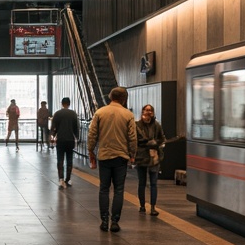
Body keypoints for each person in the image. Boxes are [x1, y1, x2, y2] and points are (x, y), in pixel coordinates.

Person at [87, 87, 138, 232]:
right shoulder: (128, 115)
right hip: (121, 157)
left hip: (104, 156)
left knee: (104, 189)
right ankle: (115, 222)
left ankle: (104, 221)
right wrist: (132, 153)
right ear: (124, 99)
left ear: (110, 97)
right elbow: (132, 138)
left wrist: (91, 150)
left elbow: (92, 134)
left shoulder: (100, 112)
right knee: (119, 190)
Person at [134, 103, 167, 216]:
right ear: (142, 112)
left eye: (150, 110)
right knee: (141, 183)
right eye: (146, 110)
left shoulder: (157, 125)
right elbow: (134, 140)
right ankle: (142, 206)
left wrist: (156, 143)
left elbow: (162, 139)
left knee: (154, 183)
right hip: (141, 157)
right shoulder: (136, 125)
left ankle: (153, 207)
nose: (148, 112)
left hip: (154, 157)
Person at [50, 97, 79, 188]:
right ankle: (68, 179)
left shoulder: (57, 114)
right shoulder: (73, 114)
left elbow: (53, 127)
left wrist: (52, 137)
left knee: (60, 159)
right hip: (70, 140)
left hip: (61, 140)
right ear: (69, 104)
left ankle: (61, 179)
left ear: (62, 103)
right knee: (69, 159)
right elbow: (76, 128)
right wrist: (77, 138)